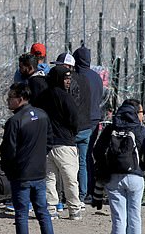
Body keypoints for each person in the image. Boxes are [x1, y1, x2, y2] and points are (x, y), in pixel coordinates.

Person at [93, 99, 145, 234]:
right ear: (136, 113)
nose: (143, 115)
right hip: (135, 178)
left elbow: (97, 151)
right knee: (134, 216)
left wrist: (106, 167)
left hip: (113, 178)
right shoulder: (141, 131)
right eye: (141, 112)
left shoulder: (110, 129)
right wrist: (141, 168)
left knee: (118, 219)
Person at [0, 83, 55, 234]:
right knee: (42, 212)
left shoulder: (15, 121)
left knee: (22, 214)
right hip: (39, 172)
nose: (8, 101)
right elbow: (49, 141)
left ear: (21, 98)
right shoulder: (42, 115)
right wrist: (38, 157)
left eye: (11, 97)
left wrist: (9, 169)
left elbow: (9, 150)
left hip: (21, 175)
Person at [32, 66, 82, 220]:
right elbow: (75, 120)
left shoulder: (42, 97)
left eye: (69, 78)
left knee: (49, 178)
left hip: (46, 144)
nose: (68, 81)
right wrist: (71, 133)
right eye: (66, 78)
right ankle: (74, 209)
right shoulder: (65, 97)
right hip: (64, 144)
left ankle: (51, 208)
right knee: (70, 178)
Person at [51, 52, 92, 205]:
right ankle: (81, 197)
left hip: (73, 129)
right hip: (87, 126)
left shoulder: (67, 82)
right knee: (81, 163)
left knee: (64, 165)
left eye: (59, 66)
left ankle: (64, 199)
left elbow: (68, 107)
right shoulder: (85, 79)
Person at [73, 45, 105, 203]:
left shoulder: (76, 76)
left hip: (81, 122)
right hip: (95, 120)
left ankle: (80, 191)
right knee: (87, 156)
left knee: (76, 158)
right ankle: (89, 191)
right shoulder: (96, 77)